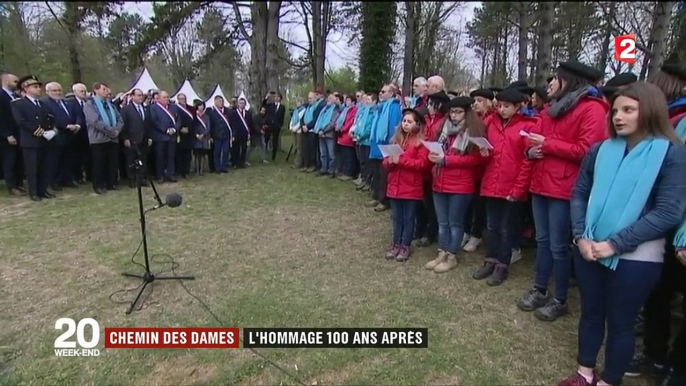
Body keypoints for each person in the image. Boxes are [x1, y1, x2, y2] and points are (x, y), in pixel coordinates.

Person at [557, 82, 686, 386]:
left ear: (650, 111)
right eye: (615, 110)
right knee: (590, 314)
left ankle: (610, 380)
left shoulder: (672, 155)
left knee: (620, 323)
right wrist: (580, 237)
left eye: (628, 110)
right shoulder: (600, 150)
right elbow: (579, 194)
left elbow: (668, 212)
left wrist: (614, 244)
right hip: (589, 247)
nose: (617, 116)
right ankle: (584, 374)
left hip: (637, 257)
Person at [516, 60, 609, 322]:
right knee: (543, 242)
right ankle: (539, 288)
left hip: (564, 187)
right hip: (541, 182)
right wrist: (530, 151)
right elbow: (531, 138)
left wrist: (548, 144)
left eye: (555, 79)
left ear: (568, 81)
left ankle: (560, 298)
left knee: (558, 246)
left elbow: (587, 151)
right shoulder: (549, 110)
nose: (550, 84)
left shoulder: (592, 109)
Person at [473, 88, 537, 286]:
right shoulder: (490, 122)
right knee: (492, 225)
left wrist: (518, 189)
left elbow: (527, 161)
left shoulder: (527, 126)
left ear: (518, 107)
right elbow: (482, 154)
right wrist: (482, 153)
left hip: (512, 186)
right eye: (499, 105)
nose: (502, 110)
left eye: (507, 106)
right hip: (492, 182)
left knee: (507, 228)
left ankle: (503, 264)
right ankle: (490, 259)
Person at [424, 96, 488, 273]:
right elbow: (437, 149)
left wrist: (447, 160)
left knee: (455, 223)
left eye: (458, 112)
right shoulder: (443, 129)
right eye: (452, 112)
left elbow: (475, 159)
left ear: (467, 113)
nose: (454, 115)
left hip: (461, 184)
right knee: (442, 222)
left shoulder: (474, 131)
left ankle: (451, 255)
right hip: (440, 181)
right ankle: (441, 252)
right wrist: (434, 156)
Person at [383, 108, 430, 262]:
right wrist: (389, 162)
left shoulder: (420, 142)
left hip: (411, 186)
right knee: (396, 218)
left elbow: (423, 164)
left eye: (409, 121)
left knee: (408, 218)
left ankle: (405, 245)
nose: (406, 124)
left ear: (417, 124)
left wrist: (401, 161)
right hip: (394, 186)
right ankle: (396, 244)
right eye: (404, 121)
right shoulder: (395, 139)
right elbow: (386, 161)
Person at [10, 75, 53, 201]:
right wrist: (36, 130)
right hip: (30, 140)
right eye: (35, 87)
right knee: (32, 168)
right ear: (26, 89)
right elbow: (21, 121)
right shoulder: (19, 104)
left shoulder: (42, 104)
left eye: (39, 87)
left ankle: (43, 190)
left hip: (43, 139)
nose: (39, 89)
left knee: (44, 167)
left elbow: (48, 119)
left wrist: (49, 130)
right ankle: (34, 192)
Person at [367, 84, 402, 212]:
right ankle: (376, 196)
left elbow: (393, 127)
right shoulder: (380, 107)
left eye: (383, 91)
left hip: (385, 146)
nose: (380, 93)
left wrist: (390, 146)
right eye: (380, 91)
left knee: (384, 175)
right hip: (376, 146)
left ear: (392, 93)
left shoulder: (393, 107)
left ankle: (384, 200)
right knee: (376, 174)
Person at [83, 82, 123, 194]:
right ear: (96, 90)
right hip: (98, 139)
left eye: (107, 89)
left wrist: (117, 130)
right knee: (99, 163)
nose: (107, 91)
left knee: (112, 162)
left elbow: (120, 119)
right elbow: (94, 121)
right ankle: (99, 185)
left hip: (113, 139)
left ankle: (111, 183)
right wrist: (111, 131)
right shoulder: (90, 105)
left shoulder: (111, 105)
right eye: (104, 89)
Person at [0, 72, 26, 196]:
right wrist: (7, 134)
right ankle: (12, 185)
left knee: (19, 159)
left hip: (19, 133)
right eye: (15, 81)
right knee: (9, 160)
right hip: (7, 135)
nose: (18, 84)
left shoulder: (15, 96)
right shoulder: (1, 95)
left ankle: (19, 183)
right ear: (5, 82)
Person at [120, 88, 152, 188]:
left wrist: (149, 137)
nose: (140, 97)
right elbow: (123, 125)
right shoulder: (126, 109)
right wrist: (125, 138)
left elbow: (148, 125)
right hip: (132, 139)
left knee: (143, 159)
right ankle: (132, 179)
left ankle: (141, 178)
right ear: (132, 96)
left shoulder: (145, 108)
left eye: (141, 95)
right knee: (131, 160)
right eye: (138, 95)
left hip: (144, 139)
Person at [149, 91, 180, 183]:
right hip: (160, 136)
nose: (167, 99)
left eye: (167, 97)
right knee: (160, 157)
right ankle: (160, 176)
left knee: (171, 156)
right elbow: (154, 121)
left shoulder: (173, 107)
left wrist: (175, 129)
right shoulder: (154, 108)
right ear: (159, 98)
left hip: (172, 136)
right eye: (164, 97)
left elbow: (179, 120)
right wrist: (165, 130)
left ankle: (170, 174)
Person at [314, 93, 342, 177]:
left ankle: (331, 170)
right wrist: (319, 130)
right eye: (328, 98)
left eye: (330, 99)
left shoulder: (335, 110)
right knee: (323, 153)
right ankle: (323, 169)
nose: (328, 100)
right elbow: (320, 120)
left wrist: (323, 131)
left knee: (331, 154)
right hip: (320, 133)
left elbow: (332, 123)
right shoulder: (324, 109)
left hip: (329, 134)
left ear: (334, 100)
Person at [336, 95, 359, 180]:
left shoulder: (354, 110)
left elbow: (351, 121)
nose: (347, 102)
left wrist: (343, 129)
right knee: (344, 154)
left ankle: (349, 172)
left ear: (353, 102)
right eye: (346, 100)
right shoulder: (345, 110)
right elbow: (339, 119)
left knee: (349, 155)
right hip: (341, 135)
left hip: (347, 134)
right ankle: (344, 170)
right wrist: (337, 127)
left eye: (349, 100)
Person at [174, 93, 196, 178]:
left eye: (184, 98)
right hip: (180, 134)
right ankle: (179, 171)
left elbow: (195, 121)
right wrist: (180, 129)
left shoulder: (191, 109)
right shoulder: (175, 108)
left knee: (188, 154)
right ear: (178, 99)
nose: (183, 100)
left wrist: (189, 129)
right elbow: (174, 120)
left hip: (189, 134)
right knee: (179, 154)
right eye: (181, 98)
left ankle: (186, 171)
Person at [229, 97, 252, 168]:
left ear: (245, 104)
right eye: (240, 103)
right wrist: (233, 134)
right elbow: (231, 124)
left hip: (244, 134)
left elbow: (250, 124)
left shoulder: (247, 113)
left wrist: (249, 133)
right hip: (236, 134)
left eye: (243, 103)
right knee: (236, 149)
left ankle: (241, 163)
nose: (242, 105)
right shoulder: (234, 113)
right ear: (238, 104)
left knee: (244, 149)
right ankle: (235, 162)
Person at [192, 101, 211, 175]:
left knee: (203, 155)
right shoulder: (194, 116)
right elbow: (192, 126)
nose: (201, 107)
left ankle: (201, 170)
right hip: (196, 138)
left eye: (202, 106)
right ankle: (196, 170)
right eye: (200, 106)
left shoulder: (206, 117)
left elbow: (208, 127)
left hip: (204, 138)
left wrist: (203, 134)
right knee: (197, 155)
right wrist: (196, 135)